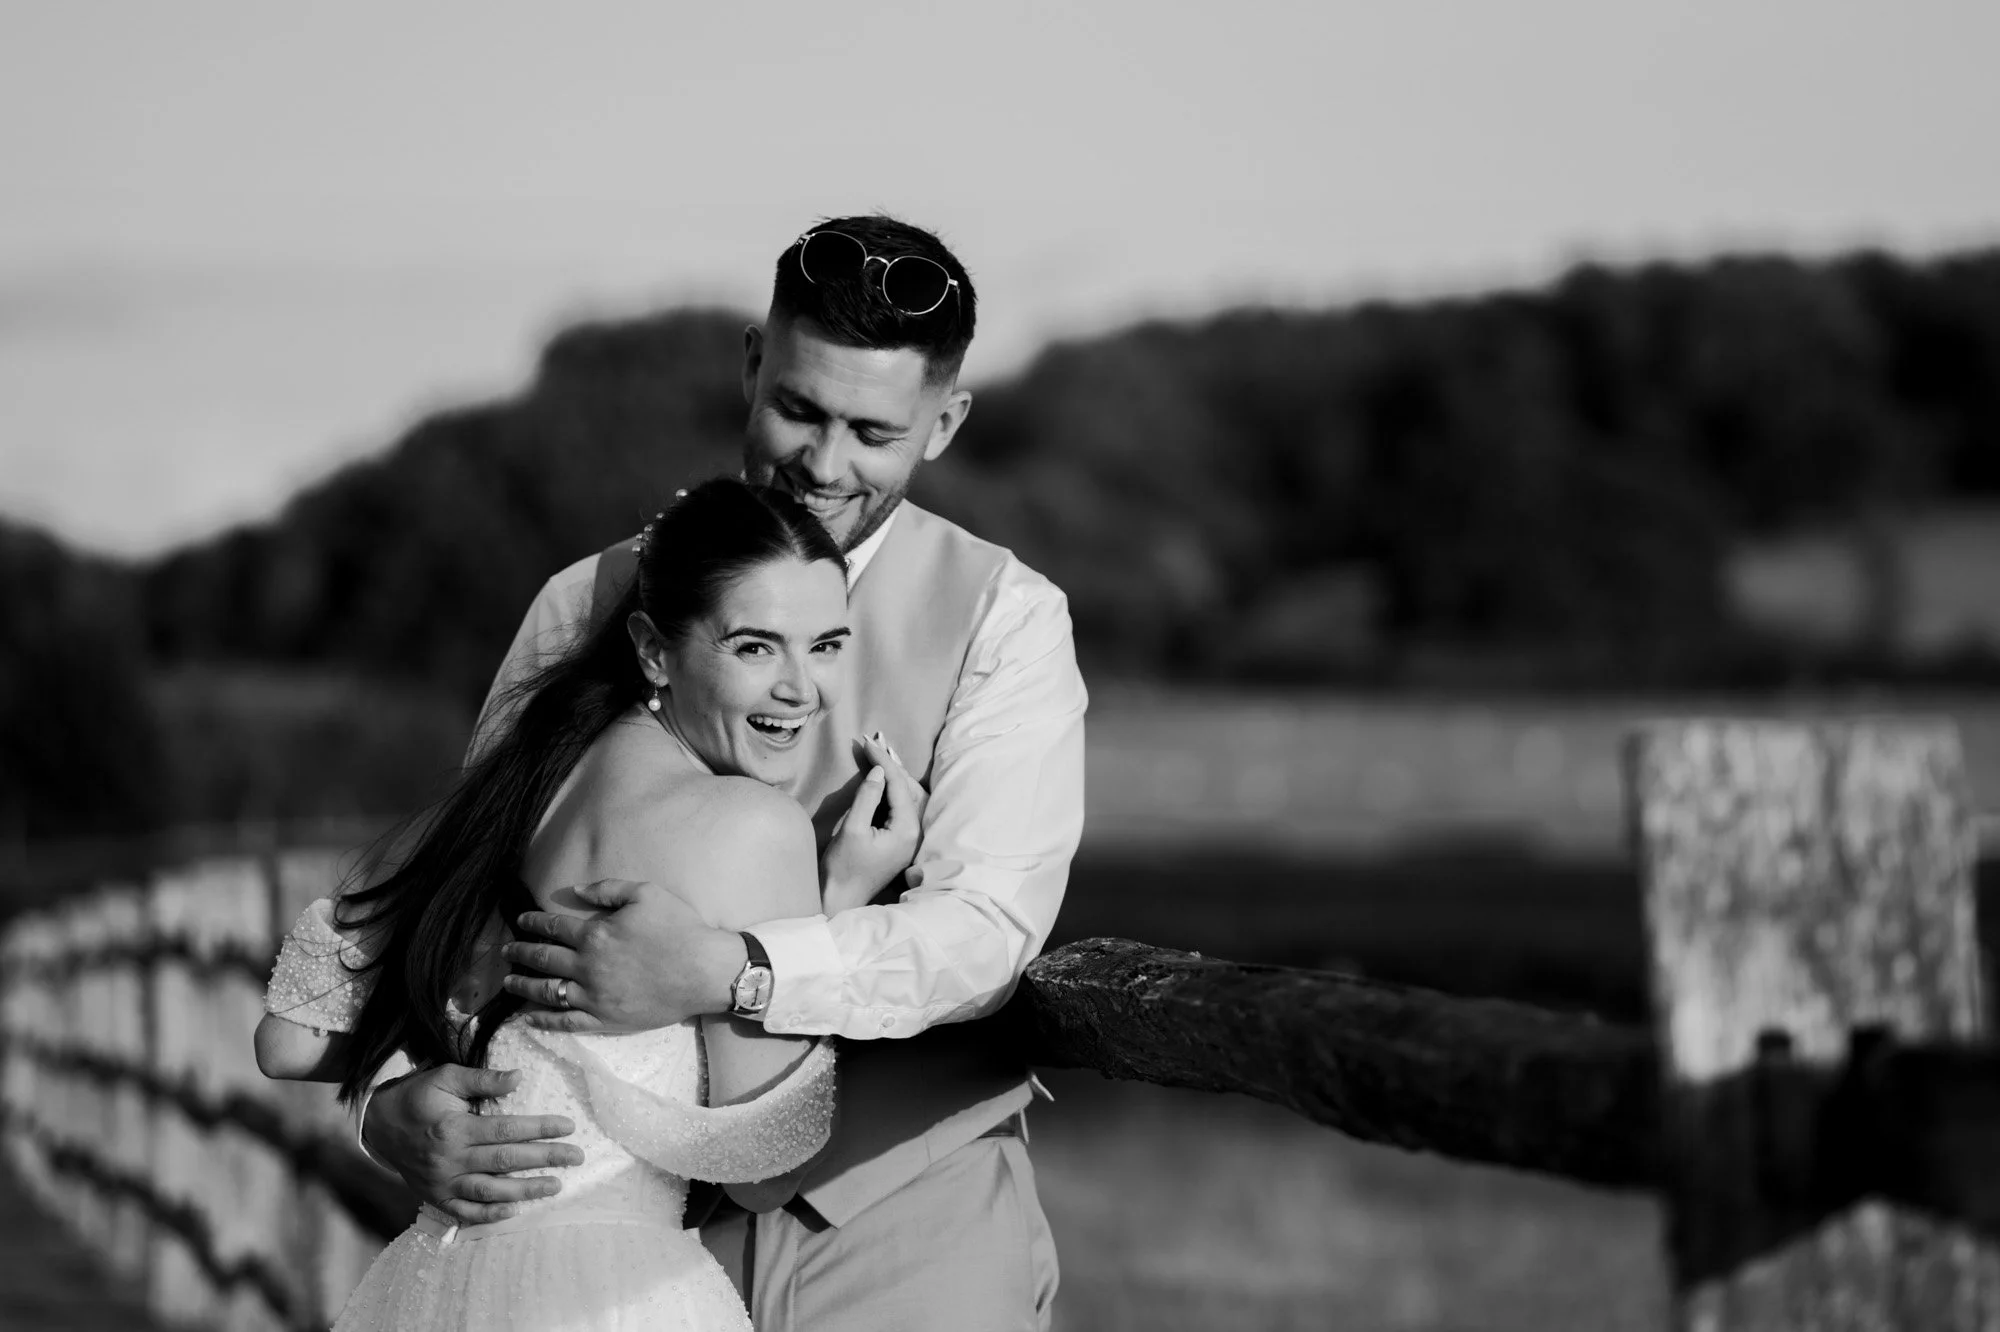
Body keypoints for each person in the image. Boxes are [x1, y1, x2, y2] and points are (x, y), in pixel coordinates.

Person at [361, 215, 1086, 1331]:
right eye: (797, 408)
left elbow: (984, 930)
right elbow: (463, 894)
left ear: (943, 424)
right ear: (752, 363)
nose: (823, 463)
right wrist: (387, 1101)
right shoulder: (582, 603)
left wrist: (732, 971)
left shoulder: (1008, 618)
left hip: (909, 1226)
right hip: (608, 1245)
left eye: (872, 431)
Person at [256, 479, 928, 1331]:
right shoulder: (754, 828)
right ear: (653, 651)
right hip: (614, 1297)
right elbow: (767, 1169)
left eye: (825, 645)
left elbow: (286, 1037)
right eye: (757, 648)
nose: (803, 689)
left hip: (437, 1285)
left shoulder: (520, 781)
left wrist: (391, 1103)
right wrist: (835, 905)